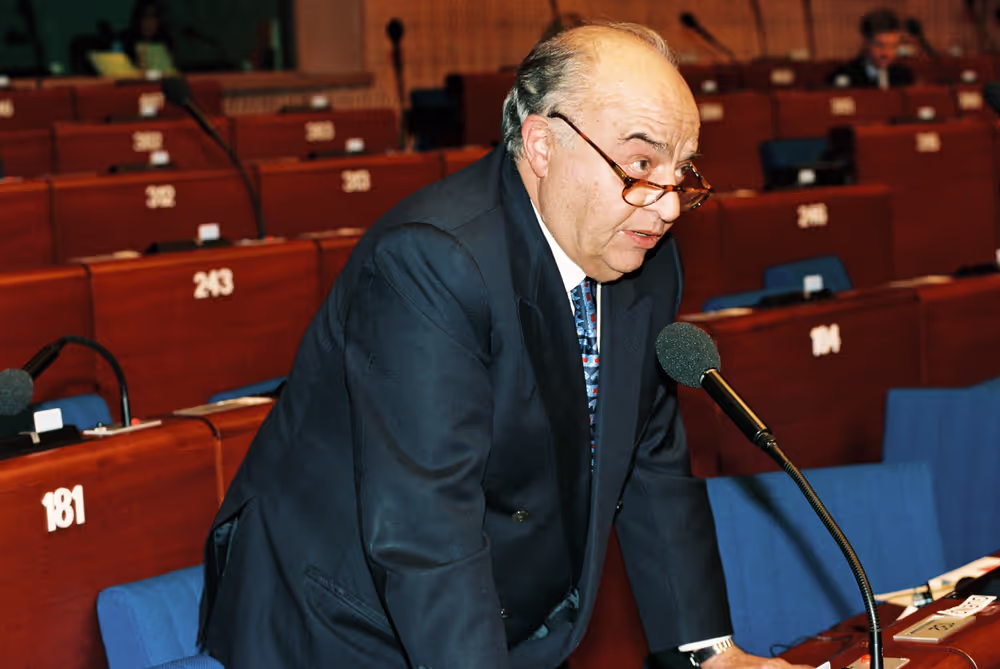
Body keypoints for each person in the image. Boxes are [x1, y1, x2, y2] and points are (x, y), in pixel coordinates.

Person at [198, 22, 814, 669]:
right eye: (640, 166)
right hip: (342, 619)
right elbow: (426, 528)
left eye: (681, 170)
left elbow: (651, 461)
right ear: (543, 144)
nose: (665, 207)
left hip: (492, 614)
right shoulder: (432, 262)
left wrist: (710, 653)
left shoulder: (642, 259)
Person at [829, 8, 914, 89]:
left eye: (893, 46)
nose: (886, 53)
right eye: (880, 45)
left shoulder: (904, 76)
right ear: (866, 43)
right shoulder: (846, 77)